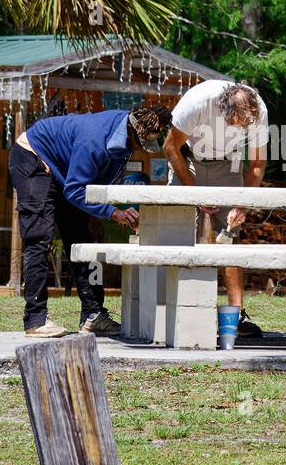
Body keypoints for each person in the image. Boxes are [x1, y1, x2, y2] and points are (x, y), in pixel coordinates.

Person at [11, 104, 172, 338]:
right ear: (131, 132)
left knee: (84, 240)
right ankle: (35, 319)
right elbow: (75, 191)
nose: (139, 150)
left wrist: (98, 213)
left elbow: (94, 186)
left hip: (65, 173)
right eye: (139, 144)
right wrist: (112, 213)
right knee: (39, 238)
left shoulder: (125, 137)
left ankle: (93, 315)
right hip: (34, 157)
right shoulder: (94, 142)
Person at [162, 80, 268, 338]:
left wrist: (243, 203)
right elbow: (169, 147)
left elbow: (256, 163)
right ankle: (174, 309)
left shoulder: (259, 111)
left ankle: (237, 314)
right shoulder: (197, 102)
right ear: (222, 108)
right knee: (179, 233)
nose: (241, 127)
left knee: (229, 239)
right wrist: (194, 193)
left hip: (229, 163)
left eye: (246, 123)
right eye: (237, 122)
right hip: (188, 160)